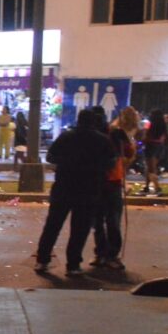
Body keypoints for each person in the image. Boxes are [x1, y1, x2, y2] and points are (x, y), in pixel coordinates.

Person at [33, 108, 114, 276]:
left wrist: (67, 163)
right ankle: (73, 264)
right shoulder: (102, 140)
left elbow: (51, 157)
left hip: (64, 187)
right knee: (80, 229)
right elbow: (110, 163)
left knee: (53, 225)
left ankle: (42, 259)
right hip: (88, 189)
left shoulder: (67, 136)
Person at [92, 106, 136, 270]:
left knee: (100, 220)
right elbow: (130, 152)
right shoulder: (115, 133)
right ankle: (109, 254)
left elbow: (129, 152)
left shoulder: (98, 134)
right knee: (110, 220)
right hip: (111, 181)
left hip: (101, 182)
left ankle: (103, 253)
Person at [141, 110, 167, 196]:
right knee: (151, 168)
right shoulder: (163, 125)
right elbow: (164, 137)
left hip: (150, 146)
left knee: (151, 169)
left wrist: (144, 132)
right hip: (159, 147)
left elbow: (145, 137)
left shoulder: (150, 125)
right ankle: (147, 187)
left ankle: (157, 188)